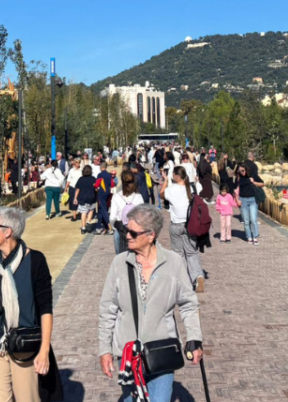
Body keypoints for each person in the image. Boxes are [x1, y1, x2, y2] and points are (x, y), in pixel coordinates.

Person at [98, 205, 203, 402]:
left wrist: (195, 338)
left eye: (132, 232)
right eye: (125, 230)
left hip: (162, 352)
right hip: (128, 355)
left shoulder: (173, 262)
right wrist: (105, 350)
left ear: (150, 235)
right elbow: (107, 310)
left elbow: (189, 304)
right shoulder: (119, 264)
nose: (126, 236)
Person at [0, 207, 61, 401]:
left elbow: (45, 308)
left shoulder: (35, 261)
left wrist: (44, 350)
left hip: (25, 348)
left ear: (7, 232)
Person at [161, 167, 205, 292]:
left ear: (175, 176)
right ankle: (198, 276)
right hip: (190, 224)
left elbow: (161, 194)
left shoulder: (171, 190)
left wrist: (165, 181)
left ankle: (183, 280)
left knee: (178, 254)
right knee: (191, 252)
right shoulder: (190, 188)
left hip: (176, 225)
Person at [109, 170, 144, 254]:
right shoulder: (138, 196)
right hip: (135, 228)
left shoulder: (116, 196)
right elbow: (142, 214)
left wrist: (113, 227)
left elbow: (112, 217)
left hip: (120, 228)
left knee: (120, 256)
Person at [233, 164, 265, 246]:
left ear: (246, 169)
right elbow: (235, 189)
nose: (241, 172)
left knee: (253, 219)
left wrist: (254, 182)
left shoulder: (252, 175)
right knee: (246, 221)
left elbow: (262, 184)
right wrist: (237, 200)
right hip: (243, 200)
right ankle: (249, 236)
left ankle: (255, 236)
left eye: (243, 170)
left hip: (253, 200)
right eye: (240, 171)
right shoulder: (238, 177)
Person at [73, 165, 98, 234]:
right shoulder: (93, 179)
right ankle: (88, 222)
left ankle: (83, 228)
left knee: (83, 212)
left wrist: (75, 198)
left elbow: (77, 189)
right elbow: (96, 188)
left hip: (83, 198)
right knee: (91, 210)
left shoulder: (81, 179)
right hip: (92, 197)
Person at [95, 167, 115, 234]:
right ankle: (98, 227)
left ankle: (109, 227)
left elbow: (97, 184)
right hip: (108, 193)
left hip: (101, 194)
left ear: (101, 167)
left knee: (103, 210)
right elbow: (112, 185)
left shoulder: (100, 175)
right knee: (101, 210)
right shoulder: (109, 175)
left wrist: (94, 186)